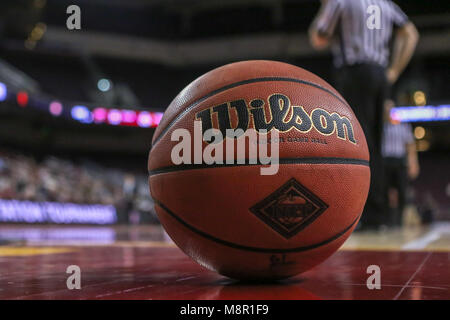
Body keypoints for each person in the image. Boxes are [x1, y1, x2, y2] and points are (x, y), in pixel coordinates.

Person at [309, 0, 419, 229]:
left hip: (354, 73)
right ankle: (377, 215)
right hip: (380, 74)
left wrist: (324, 7)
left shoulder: (341, 1)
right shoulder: (385, 4)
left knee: (356, 144)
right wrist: (394, 70)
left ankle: (360, 213)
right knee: (375, 146)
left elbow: (318, 38)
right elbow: (411, 33)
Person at [382, 100, 419, 227]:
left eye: (389, 108)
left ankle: (400, 220)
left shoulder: (403, 126)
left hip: (399, 161)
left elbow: (410, 146)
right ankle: (387, 219)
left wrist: (413, 163)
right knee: (385, 191)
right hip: (385, 162)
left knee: (402, 191)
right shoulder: (381, 127)